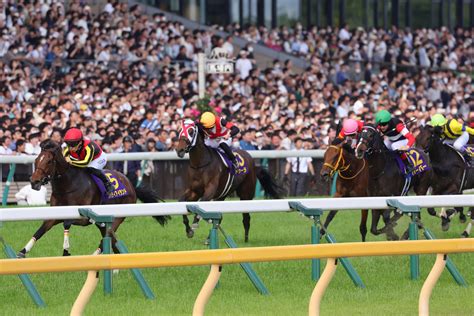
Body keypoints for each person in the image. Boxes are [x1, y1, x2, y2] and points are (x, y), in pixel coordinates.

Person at [62, 127, 114, 193]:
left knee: (90, 168)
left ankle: (107, 183)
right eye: (68, 143)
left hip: (97, 158)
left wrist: (70, 162)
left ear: (80, 142)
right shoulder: (68, 148)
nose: (70, 147)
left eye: (73, 144)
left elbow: (85, 163)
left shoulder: (89, 147)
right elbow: (63, 159)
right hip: (83, 158)